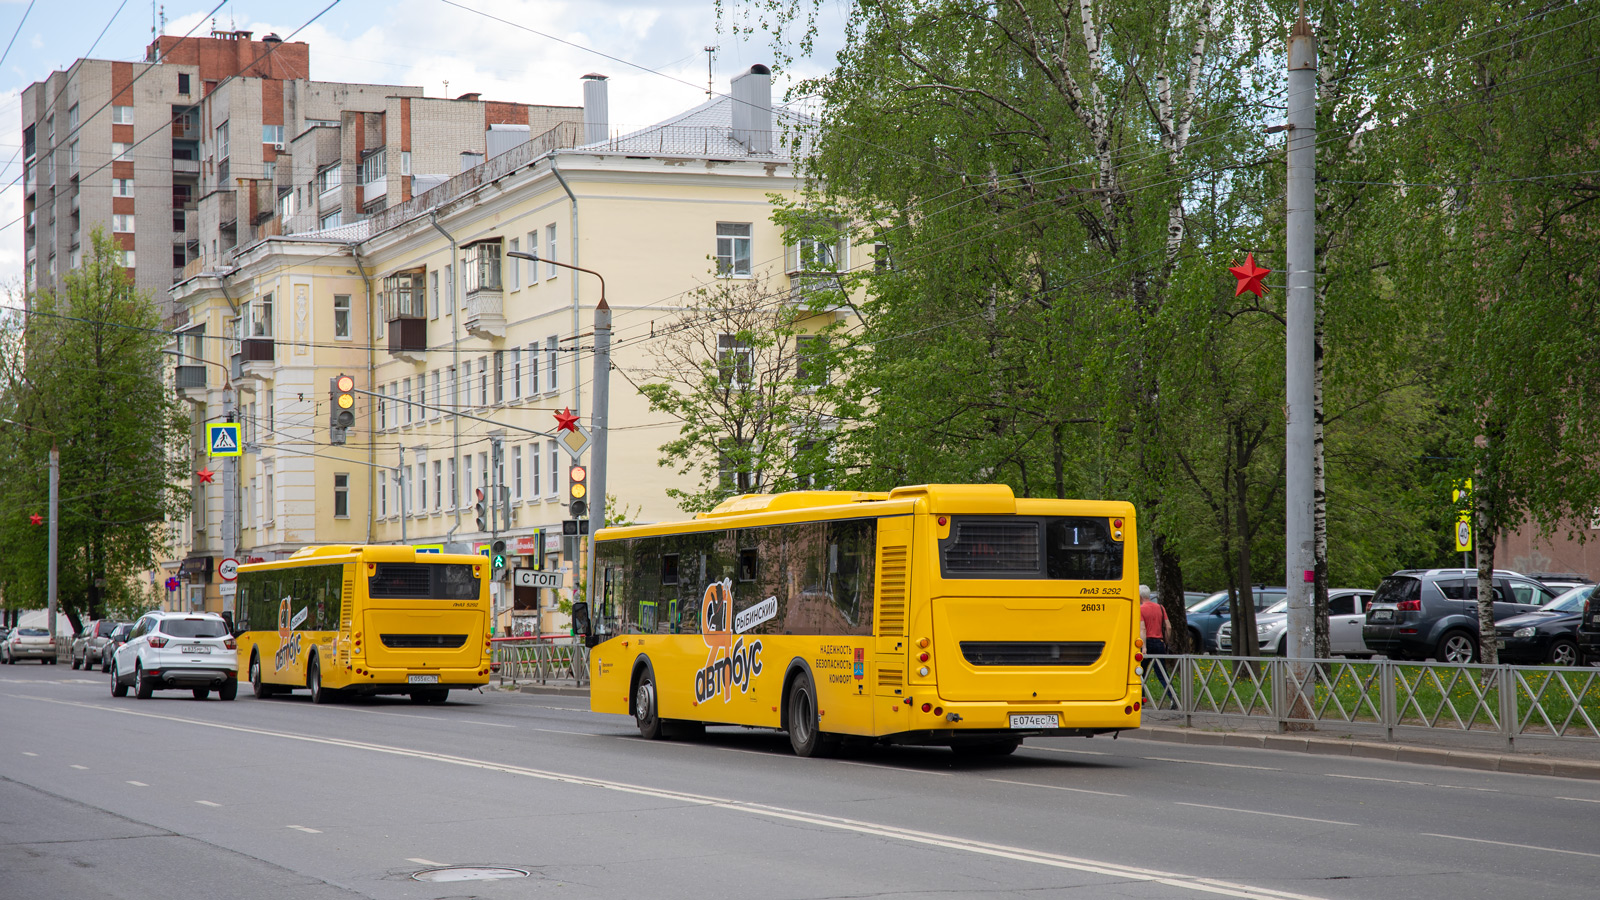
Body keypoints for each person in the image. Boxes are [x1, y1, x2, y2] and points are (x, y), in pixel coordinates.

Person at [1139, 584, 1173, 705]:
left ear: (1139, 596)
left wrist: (1144, 647)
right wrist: (1165, 642)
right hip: (1159, 643)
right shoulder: (1160, 607)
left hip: (1147, 642)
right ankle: (1173, 698)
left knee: (1139, 672)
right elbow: (1168, 627)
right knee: (1162, 673)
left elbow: (1142, 629)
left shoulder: (1140, 609)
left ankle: (1141, 699)